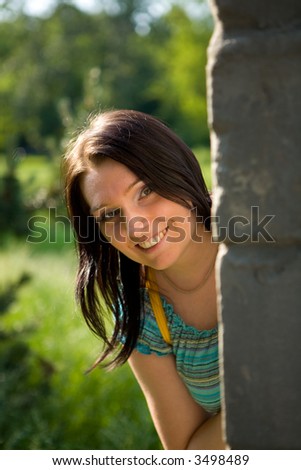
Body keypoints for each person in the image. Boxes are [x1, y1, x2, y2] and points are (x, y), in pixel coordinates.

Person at [63, 109, 225, 450]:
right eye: (110, 215)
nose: (136, 227)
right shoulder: (144, 312)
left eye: (145, 190)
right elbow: (186, 453)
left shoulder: (264, 241)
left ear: (176, 170)